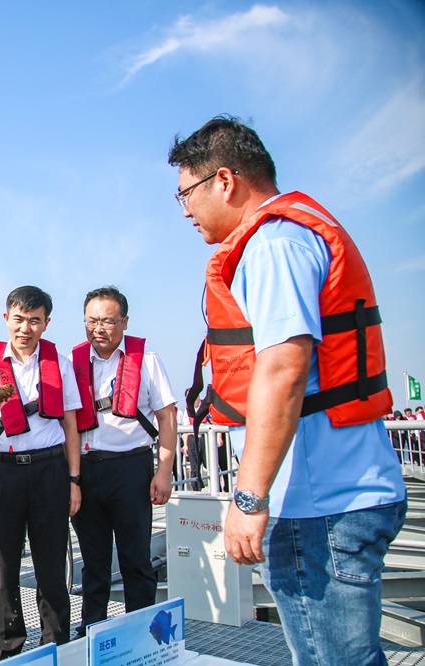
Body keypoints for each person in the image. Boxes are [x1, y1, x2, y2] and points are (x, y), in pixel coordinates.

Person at [169, 115, 407, 665]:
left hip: (320, 506)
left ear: (223, 181)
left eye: (185, 193)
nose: (184, 210)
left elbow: (283, 368)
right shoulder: (298, 234)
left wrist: (249, 498)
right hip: (344, 493)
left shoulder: (273, 246)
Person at [0, 285, 82, 663]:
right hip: (1, 470)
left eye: (34, 320)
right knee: (2, 566)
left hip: (50, 470)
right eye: (18, 319)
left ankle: (57, 645)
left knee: (51, 565)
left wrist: (74, 481)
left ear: (46, 323)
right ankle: (5, 649)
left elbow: (70, 425)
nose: (25, 328)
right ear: (6, 319)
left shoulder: (60, 364)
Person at [68, 286, 178, 635]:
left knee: (135, 556)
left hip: (131, 469)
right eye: (91, 321)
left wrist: (164, 472)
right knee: (93, 559)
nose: (98, 328)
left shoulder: (147, 361)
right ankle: (92, 629)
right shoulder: (72, 363)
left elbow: (167, 418)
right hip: (87, 470)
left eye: (107, 321)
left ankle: (142, 632)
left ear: (125, 322)